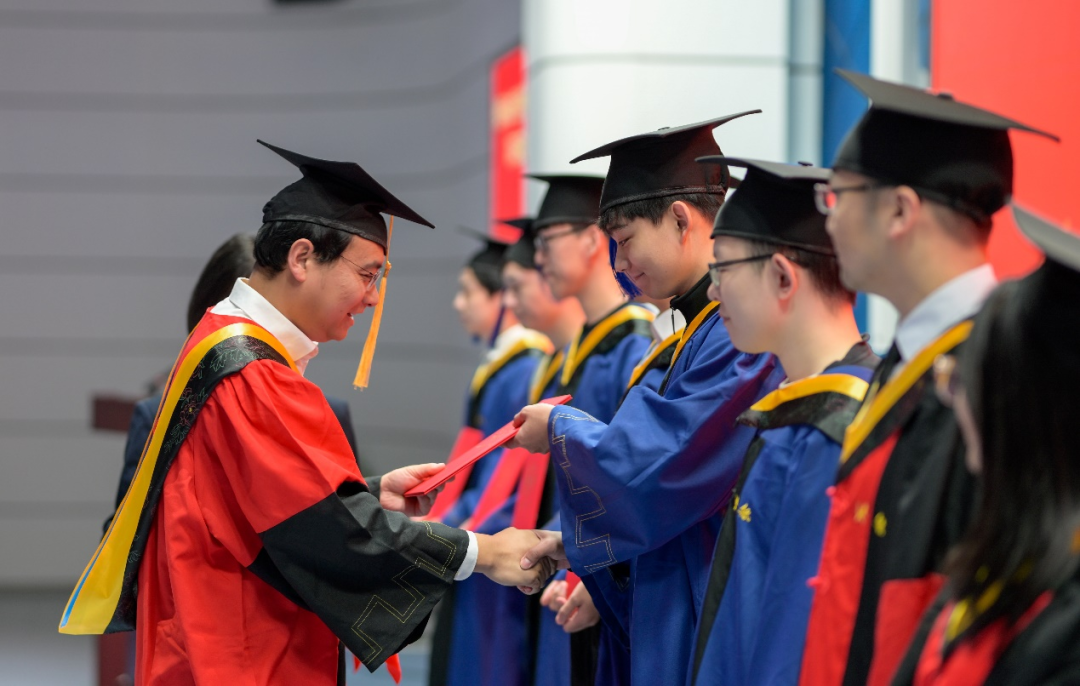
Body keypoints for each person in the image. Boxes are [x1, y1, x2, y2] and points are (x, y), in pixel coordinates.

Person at [60, 141, 555, 685]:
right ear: (301, 258)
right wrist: (483, 552)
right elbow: (327, 533)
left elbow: (256, 501)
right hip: (241, 650)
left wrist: (368, 494)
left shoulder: (218, 339)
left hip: (211, 634)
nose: (373, 297)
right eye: (367, 274)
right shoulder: (253, 374)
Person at [797, 71, 1058, 686]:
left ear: (899, 210)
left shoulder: (1007, 382)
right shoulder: (905, 363)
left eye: (837, 196)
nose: (827, 222)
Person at [511, 113, 783, 685]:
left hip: (711, 608)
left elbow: (666, 465)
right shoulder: (695, 335)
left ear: (680, 219)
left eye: (626, 239)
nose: (618, 263)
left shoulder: (737, 340)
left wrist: (560, 428)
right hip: (671, 595)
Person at [688, 158, 879, 686]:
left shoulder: (834, 430)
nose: (712, 291)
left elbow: (794, 637)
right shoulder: (796, 409)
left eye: (722, 269)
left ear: (781, 275)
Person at [891, 206, 1080, 685]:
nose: (955, 405)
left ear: (1014, 410)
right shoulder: (993, 569)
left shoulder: (1063, 628)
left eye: (962, 382)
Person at [107, 234, 363, 534]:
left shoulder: (329, 414)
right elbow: (127, 533)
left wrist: (377, 489)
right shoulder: (159, 415)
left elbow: (342, 519)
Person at [528, 173, 656, 686]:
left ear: (588, 239)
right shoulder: (581, 347)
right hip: (572, 562)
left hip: (608, 570)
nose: (538, 258)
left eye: (546, 241)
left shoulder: (634, 344)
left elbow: (633, 470)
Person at [430, 229, 552, 686]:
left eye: (468, 293)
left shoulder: (525, 368)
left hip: (499, 529)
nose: (458, 304)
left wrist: (459, 524)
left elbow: (510, 472)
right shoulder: (501, 365)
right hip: (480, 523)